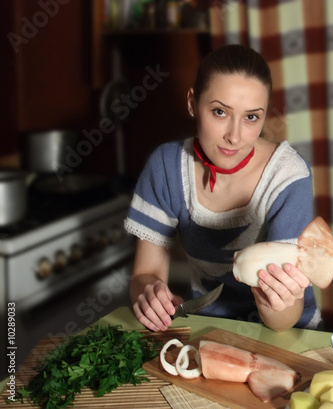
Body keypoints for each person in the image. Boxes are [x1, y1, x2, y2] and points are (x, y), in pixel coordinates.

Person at [125, 44, 321, 332]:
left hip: (287, 335)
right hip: (206, 328)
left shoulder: (287, 176)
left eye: (251, 117)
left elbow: (284, 320)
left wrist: (275, 299)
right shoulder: (165, 167)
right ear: (192, 103)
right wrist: (149, 293)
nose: (235, 136)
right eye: (220, 112)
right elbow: (146, 273)